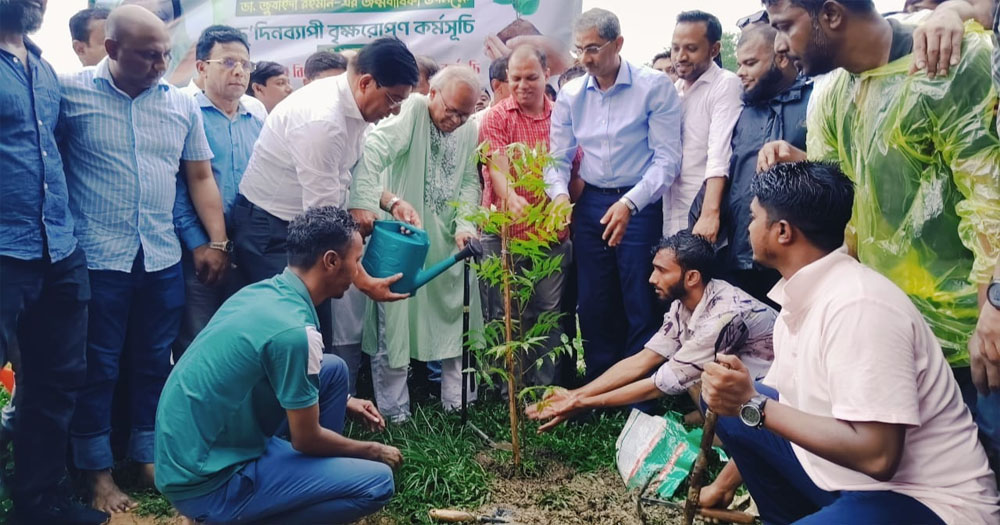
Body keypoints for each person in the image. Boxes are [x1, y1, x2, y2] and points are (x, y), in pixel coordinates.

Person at [758, 0, 1000, 471]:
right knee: (917, 474)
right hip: (886, 328)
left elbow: (990, 198)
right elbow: (848, 198)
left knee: (989, 458)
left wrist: (994, 304)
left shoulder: (948, 60)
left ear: (830, 15)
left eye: (786, 27)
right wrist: (805, 168)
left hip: (974, 328)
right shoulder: (830, 95)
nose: (780, 48)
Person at [700, 161, 999, 523]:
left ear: (782, 232)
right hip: (852, 482)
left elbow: (879, 457)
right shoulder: (802, 299)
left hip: (926, 500)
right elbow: (779, 409)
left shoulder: (858, 305)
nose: (747, 227)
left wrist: (753, 403)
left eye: (753, 217)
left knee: (747, 409)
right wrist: (729, 464)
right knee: (732, 415)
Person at [59, 5, 226, 514]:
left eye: (165, 54)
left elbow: (198, 177)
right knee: (98, 368)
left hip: (159, 259)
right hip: (96, 259)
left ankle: (148, 457)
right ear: (111, 50)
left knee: (155, 362)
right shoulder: (69, 95)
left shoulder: (180, 105)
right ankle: (97, 472)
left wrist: (216, 242)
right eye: (148, 55)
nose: (160, 64)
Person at [155, 206, 400, 524]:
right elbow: (306, 439)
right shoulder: (295, 333)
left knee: (333, 371)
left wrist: (346, 401)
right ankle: (237, 514)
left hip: (188, 450)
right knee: (377, 481)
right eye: (356, 261)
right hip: (210, 480)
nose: (357, 272)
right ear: (330, 261)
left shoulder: (265, 292)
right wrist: (372, 450)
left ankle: (299, 481)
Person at [233, 37, 418, 370]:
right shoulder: (323, 121)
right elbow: (326, 223)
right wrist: (364, 282)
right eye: (393, 99)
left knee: (315, 330)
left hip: (307, 224)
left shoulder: (354, 106)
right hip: (270, 230)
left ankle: (321, 411)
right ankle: (293, 420)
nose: (395, 110)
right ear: (365, 82)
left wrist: (389, 201)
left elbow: (348, 172)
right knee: (291, 334)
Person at [0, 0, 109, 523]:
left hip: (59, 250)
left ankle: (37, 505)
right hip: (2, 252)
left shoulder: (42, 68)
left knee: (56, 381)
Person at [545, 8, 682, 384]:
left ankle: (638, 388)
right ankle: (602, 382)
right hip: (590, 204)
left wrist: (630, 203)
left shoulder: (654, 87)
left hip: (639, 204)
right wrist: (559, 196)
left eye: (593, 49)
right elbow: (556, 158)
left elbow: (667, 159)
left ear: (618, 44)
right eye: (579, 50)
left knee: (640, 295)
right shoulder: (572, 95)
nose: (585, 59)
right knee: (594, 299)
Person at [527, 231, 776, 431]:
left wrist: (580, 403)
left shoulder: (723, 316)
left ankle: (729, 433)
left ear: (691, 277)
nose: (651, 278)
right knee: (692, 368)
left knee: (691, 372)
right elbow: (644, 359)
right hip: (745, 385)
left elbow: (660, 384)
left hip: (775, 396)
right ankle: (713, 422)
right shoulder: (684, 303)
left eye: (662, 271)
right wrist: (575, 394)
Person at [348, 66, 483, 421]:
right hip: (404, 241)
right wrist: (369, 200)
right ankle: (394, 416)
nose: (456, 119)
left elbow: (470, 180)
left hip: (450, 241)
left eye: (465, 113)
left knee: (456, 320)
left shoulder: (470, 128)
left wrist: (466, 223)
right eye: (451, 110)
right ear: (432, 93)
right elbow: (373, 151)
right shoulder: (412, 110)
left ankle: (458, 406)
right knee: (394, 322)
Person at [688, 21, 807, 304]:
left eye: (750, 63)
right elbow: (721, 167)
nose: (739, 72)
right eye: (739, 64)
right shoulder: (740, 109)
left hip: (799, 255)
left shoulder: (815, 100)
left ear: (781, 57)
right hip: (741, 253)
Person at [479, 46, 575, 388]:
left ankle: (545, 388)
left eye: (531, 77)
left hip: (549, 237)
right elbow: (497, 166)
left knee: (547, 314)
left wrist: (566, 209)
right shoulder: (497, 117)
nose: (522, 85)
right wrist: (511, 196)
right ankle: (511, 393)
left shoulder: (563, 115)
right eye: (515, 78)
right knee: (506, 314)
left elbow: (573, 168)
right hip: (504, 235)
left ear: (546, 74)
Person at [172, 25, 264, 358]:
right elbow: (176, 186)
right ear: (201, 67)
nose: (238, 71)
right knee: (198, 341)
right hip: (197, 250)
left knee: (242, 341)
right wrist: (200, 243)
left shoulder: (257, 113)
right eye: (227, 62)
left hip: (248, 247)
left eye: (245, 64)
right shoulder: (181, 108)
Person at [665, 10, 743, 238]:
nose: (680, 56)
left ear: (715, 49)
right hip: (670, 208)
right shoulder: (673, 90)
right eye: (675, 48)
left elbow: (720, 152)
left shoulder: (725, 84)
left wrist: (710, 213)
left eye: (691, 48)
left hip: (701, 209)